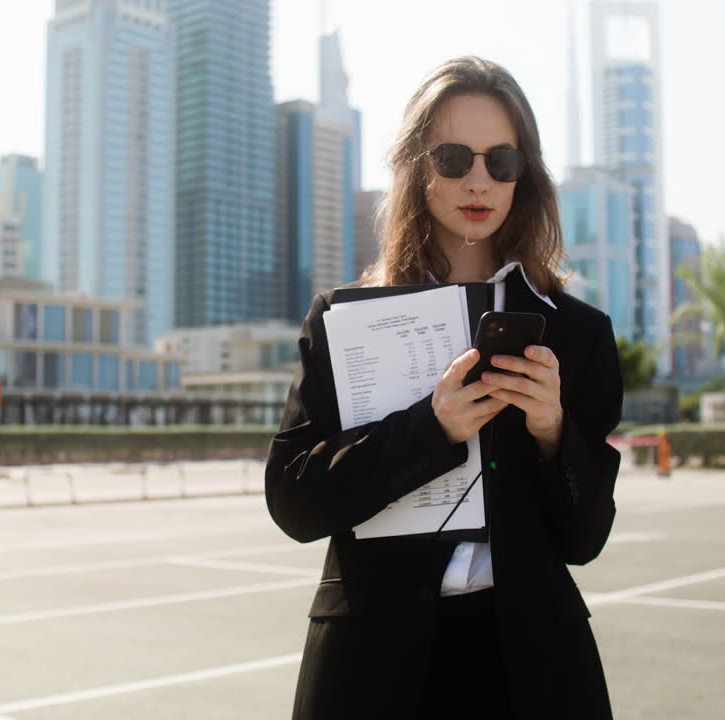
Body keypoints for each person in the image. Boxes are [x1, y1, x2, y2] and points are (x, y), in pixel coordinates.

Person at [265, 56, 622, 719]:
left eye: (502, 161)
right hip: (371, 668)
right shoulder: (345, 320)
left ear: (526, 175)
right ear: (416, 166)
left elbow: (585, 539)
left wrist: (552, 434)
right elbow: (294, 501)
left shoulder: (577, 333)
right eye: (453, 157)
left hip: (533, 668)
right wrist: (431, 430)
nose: (478, 179)